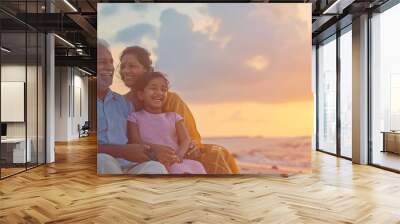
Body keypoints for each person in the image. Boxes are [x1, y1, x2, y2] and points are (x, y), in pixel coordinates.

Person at [119, 46, 240, 174]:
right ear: (141, 95)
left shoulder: (170, 99)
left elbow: (190, 136)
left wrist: (186, 150)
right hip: (142, 157)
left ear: (146, 69)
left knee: (217, 152)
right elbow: (130, 141)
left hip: (178, 153)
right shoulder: (120, 103)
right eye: (123, 67)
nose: (126, 71)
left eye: (132, 66)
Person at [97, 40, 170, 174]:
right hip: (102, 164)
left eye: (111, 62)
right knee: (103, 160)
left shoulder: (124, 104)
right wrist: (122, 151)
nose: (109, 67)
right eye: (101, 62)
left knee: (156, 168)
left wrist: (154, 151)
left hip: (129, 165)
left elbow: (136, 140)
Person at [127, 72, 206, 174]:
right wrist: (156, 149)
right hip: (153, 162)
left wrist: (178, 156)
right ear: (141, 94)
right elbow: (136, 141)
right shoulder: (134, 117)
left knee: (197, 166)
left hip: (175, 160)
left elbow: (186, 139)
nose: (159, 92)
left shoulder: (174, 117)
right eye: (153, 88)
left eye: (163, 89)